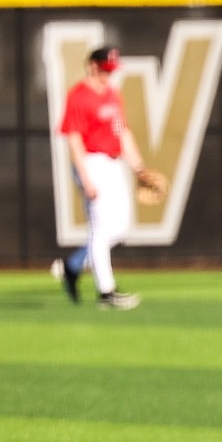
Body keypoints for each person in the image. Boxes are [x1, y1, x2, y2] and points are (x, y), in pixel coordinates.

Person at [51, 45, 150, 311]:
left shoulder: (113, 95)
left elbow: (122, 133)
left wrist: (139, 167)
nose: (109, 74)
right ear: (92, 66)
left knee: (120, 228)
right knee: (100, 227)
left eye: (112, 70)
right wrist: (85, 177)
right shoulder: (79, 97)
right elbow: (73, 140)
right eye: (106, 69)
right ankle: (106, 292)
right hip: (91, 162)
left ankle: (72, 268)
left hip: (114, 162)